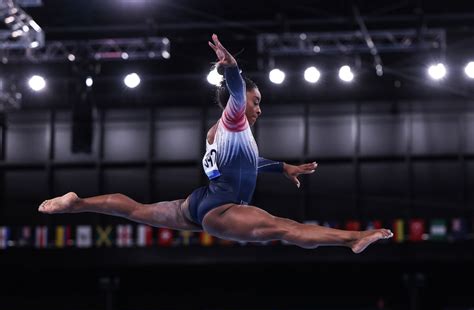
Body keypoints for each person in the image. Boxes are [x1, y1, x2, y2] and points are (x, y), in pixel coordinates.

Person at [38, 34, 393, 253]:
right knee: (287, 229)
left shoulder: (225, 134)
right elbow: (237, 93)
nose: (259, 108)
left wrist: (282, 166)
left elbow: (246, 164)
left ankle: (77, 202)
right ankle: (353, 239)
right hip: (221, 209)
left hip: (200, 202)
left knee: (136, 210)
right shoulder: (233, 119)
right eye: (256, 101)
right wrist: (233, 69)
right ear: (237, 104)